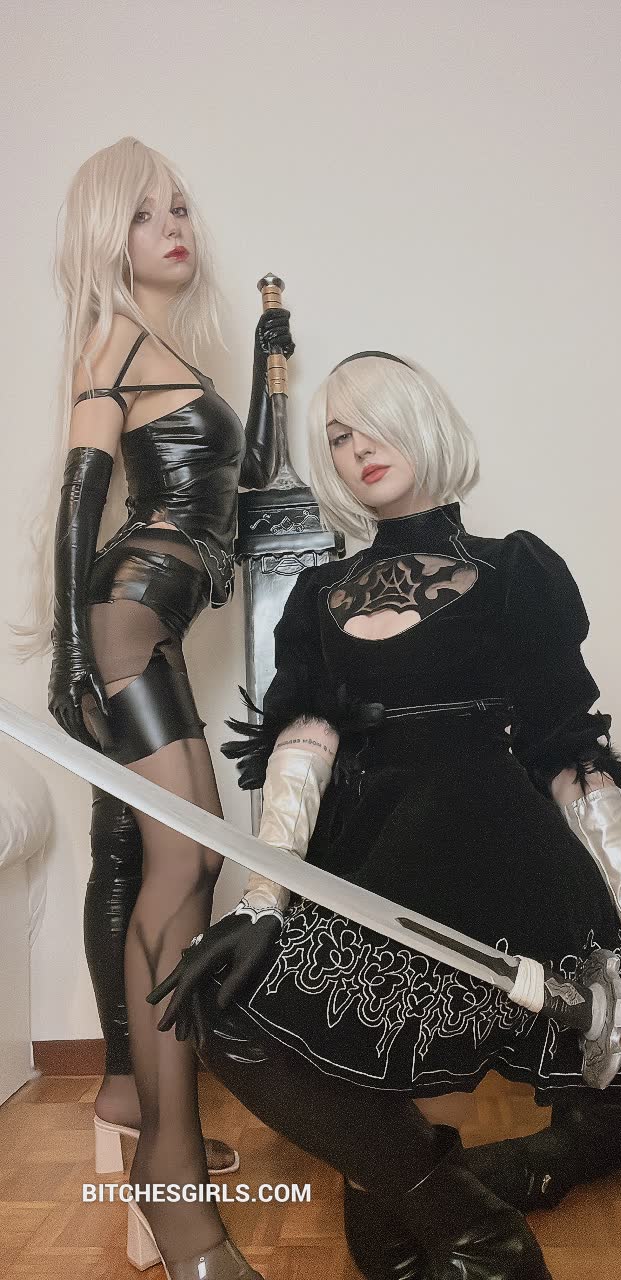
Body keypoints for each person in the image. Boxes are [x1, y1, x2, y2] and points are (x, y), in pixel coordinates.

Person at [148, 351, 621, 1280]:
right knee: (235, 1019)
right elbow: (301, 749)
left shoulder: (515, 569)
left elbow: (571, 755)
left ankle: (549, 1176)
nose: (356, 447)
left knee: (406, 1221)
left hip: (499, 856)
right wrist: (261, 901)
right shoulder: (318, 594)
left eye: (374, 422)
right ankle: (512, 1201)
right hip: (374, 863)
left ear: (423, 420)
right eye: (338, 435)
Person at [14, 137, 293, 1279]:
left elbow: (238, 481)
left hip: (151, 624)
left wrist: (271, 370)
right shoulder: (114, 337)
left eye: (178, 207)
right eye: (144, 213)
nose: (174, 226)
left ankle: (152, 1130)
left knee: (181, 868)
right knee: (185, 870)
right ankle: (174, 1190)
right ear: (106, 234)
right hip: (126, 621)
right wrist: (71, 653)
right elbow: (82, 490)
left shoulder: (168, 348)